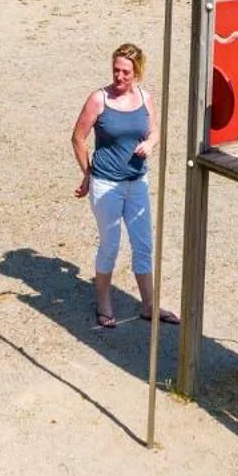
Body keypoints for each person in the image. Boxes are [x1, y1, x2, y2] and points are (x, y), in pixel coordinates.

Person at [70, 43, 176, 329]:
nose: (119, 76)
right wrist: (87, 173)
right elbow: (78, 138)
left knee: (143, 244)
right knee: (111, 244)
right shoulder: (99, 99)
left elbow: (154, 129)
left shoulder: (145, 98)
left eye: (125, 72)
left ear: (136, 72)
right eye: (116, 70)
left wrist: (150, 143)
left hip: (137, 182)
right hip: (107, 184)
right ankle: (104, 303)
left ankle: (149, 305)